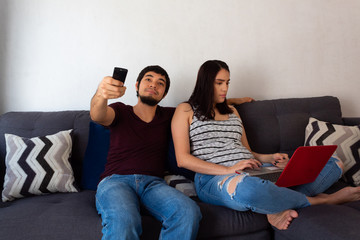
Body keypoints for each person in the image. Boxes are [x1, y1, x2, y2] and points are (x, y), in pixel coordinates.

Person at [171, 60, 360, 231]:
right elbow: (183, 159)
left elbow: (248, 151)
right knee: (248, 188)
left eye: (227, 83)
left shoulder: (232, 111)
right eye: (219, 83)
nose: (225, 88)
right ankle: (320, 200)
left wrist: (271, 158)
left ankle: (275, 205)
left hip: (255, 170)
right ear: (205, 82)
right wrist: (229, 169)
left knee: (333, 162)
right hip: (215, 179)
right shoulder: (185, 110)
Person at [90, 65, 202, 240]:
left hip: (153, 185)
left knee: (188, 211)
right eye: (148, 79)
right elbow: (98, 115)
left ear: (164, 94)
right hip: (116, 181)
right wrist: (100, 94)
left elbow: (203, 106)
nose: (153, 85)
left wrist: (235, 102)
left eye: (160, 83)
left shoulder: (170, 115)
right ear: (136, 85)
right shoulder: (121, 110)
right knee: (125, 220)